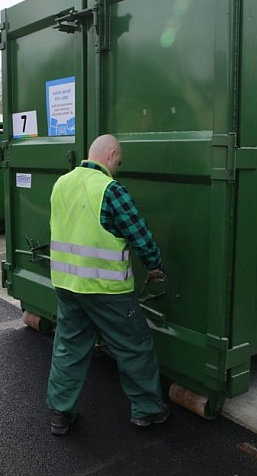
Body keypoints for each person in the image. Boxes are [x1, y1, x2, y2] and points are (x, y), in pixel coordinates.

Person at [46, 133, 169, 435]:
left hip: (67, 285)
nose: (118, 169)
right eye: (119, 163)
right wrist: (153, 266)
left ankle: (60, 413)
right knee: (134, 347)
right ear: (111, 155)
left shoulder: (62, 183)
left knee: (68, 348)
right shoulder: (109, 189)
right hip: (106, 290)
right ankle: (148, 411)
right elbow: (139, 233)